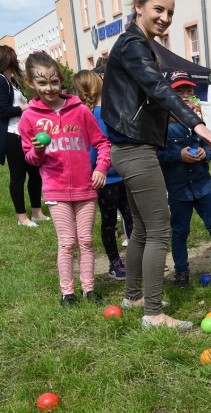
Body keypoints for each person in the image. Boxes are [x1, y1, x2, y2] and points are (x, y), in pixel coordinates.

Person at [102, 0, 211, 329]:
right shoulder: (132, 44)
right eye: (158, 8)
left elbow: (151, 95)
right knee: (158, 230)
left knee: (141, 229)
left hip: (130, 148)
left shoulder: (138, 44)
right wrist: (194, 124)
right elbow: (158, 89)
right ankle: (154, 314)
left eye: (170, 12)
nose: (165, 18)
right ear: (139, 6)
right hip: (135, 150)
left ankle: (133, 296)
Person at [19, 52, 111, 306]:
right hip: (55, 190)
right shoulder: (29, 118)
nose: (49, 88)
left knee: (86, 240)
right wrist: (37, 150)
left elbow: (102, 143)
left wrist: (101, 168)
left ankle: (89, 290)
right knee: (68, 242)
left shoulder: (80, 110)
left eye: (54, 82)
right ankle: (67, 292)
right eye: (42, 83)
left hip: (85, 188)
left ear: (61, 80)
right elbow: (30, 159)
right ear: (30, 83)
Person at [159, 70, 211, 288]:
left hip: (202, 186)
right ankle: (182, 272)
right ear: (170, 95)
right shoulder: (162, 125)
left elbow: (210, 147)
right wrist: (179, 155)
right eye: (180, 91)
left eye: (189, 91)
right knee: (180, 232)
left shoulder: (200, 122)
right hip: (178, 190)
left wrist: (207, 153)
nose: (186, 95)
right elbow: (157, 156)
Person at [71, 69, 132, 281]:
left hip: (119, 175)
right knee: (116, 220)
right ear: (98, 84)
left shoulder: (107, 111)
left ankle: (133, 260)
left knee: (120, 220)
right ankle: (117, 264)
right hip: (107, 179)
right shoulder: (90, 115)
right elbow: (91, 150)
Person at [1, 46, 47, 227]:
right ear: (8, 59)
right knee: (18, 176)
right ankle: (22, 217)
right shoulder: (1, 81)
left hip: (25, 134)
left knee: (35, 174)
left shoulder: (12, 81)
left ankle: (37, 212)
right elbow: (3, 110)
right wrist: (27, 107)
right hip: (13, 136)